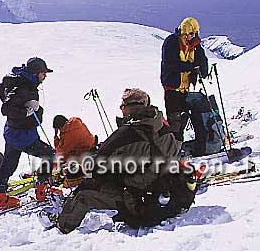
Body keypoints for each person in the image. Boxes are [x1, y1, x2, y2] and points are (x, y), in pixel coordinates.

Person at [56, 88, 196, 233]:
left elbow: (98, 163)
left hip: (139, 199)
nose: (121, 110)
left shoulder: (128, 133)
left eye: (123, 106)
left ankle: (62, 228)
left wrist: (77, 170)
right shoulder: (161, 124)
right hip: (163, 189)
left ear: (131, 108)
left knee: (83, 193)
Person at [0, 57, 56, 208]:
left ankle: (0, 195)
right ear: (35, 73)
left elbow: (0, 90)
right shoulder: (24, 87)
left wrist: (22, 108)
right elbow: (6, 109)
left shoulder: (18, 80)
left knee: (10, 162)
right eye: (43, 73)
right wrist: (26, 112)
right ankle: (42, 188)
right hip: (23, 135)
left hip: (12, 132)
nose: (45, 76)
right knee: (49, 154)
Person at [160, 17, 209, 156]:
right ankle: (174, 151)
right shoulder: (171, 42)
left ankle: (194, 146)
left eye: (195, 33)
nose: (193, 36)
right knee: (175, 120)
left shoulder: (195, 45)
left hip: (186, 89)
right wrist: (192, 67)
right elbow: (171, 64)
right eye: (191, 33)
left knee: (185, 118)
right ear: (184, 32)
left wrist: (202, 68)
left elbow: (202, 62)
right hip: (172, 88)